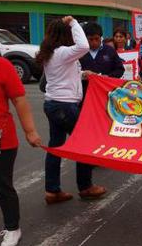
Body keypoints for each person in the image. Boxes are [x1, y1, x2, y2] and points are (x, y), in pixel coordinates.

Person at [0, 21, 42, 246]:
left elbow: (20, 101)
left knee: (1, 186)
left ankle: (13, 228)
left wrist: (31, 131)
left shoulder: (3, 67)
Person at [35, 16, 107, 205]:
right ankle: (85, 186)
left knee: (56, 147)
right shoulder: (63, 52)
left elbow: (62, 74)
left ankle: (52, 190)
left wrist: (83, 74)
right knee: (84, 143)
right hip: (64, 105)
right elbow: (83, 46)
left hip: (54, 103)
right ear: (67, 34)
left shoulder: (52, 53)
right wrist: (74, 23)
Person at [78, 22, 125, 95]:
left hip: (105, 92)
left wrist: (108, 76)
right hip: (84, 93)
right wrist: (83, 74)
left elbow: (120, 69)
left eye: (97, 39)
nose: (94, 42)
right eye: (91, 39)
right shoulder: (79, 52)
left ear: (101, 37)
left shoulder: (110, 50)